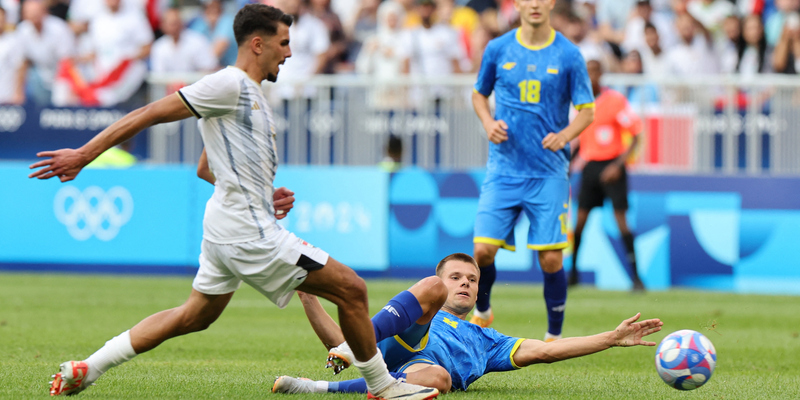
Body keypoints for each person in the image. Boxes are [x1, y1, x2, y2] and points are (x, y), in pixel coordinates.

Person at [31, 5, 438, 400]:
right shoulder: (229, 85)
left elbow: (206, 167)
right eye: (284, 42)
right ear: (257, 44)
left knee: (195, 315)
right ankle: (383, 387)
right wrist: (85, 154)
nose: (290, 52)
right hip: (246, 231)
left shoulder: (251, 95)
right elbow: (150, 112)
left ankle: (89, 366)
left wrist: (262, 193)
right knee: (352, 289)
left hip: (227, 225)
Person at [272, 253, 663, 394]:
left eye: (472, 280)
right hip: (397, 340)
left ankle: (319, 388)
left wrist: (611, 338)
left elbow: (545, 350)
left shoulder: (487, 339)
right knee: (420, 296)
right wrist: (309, 297)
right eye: (456, 277)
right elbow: (346, 334)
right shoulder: (420, 306)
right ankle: (349, 349)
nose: (465, 283)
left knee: (439, 380)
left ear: (479, 294)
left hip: (413, 373)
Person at [469, 0, 596, 343]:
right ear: (519, 4)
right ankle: (483, 311)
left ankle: (554, 335)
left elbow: (587, 110)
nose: (536, 4)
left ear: (551, 3)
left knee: (551, 259)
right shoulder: (498, 48)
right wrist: (487, 122)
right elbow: (479, 95)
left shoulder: (569, 54)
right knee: (481, 251)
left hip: (548, 173)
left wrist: (565, 136)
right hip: (504, 169)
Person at [570, 60, 644, 291]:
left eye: (594, 72)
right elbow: (577, 138)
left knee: (621, 221)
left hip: (613, 166)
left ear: (601, 74)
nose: (590, 77)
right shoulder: (579, 103)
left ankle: (636, 277)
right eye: (586, 73)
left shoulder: (615, 100)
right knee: (580, 221)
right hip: (590, 166)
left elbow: (636, 135)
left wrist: (618, 165)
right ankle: (572, 274)